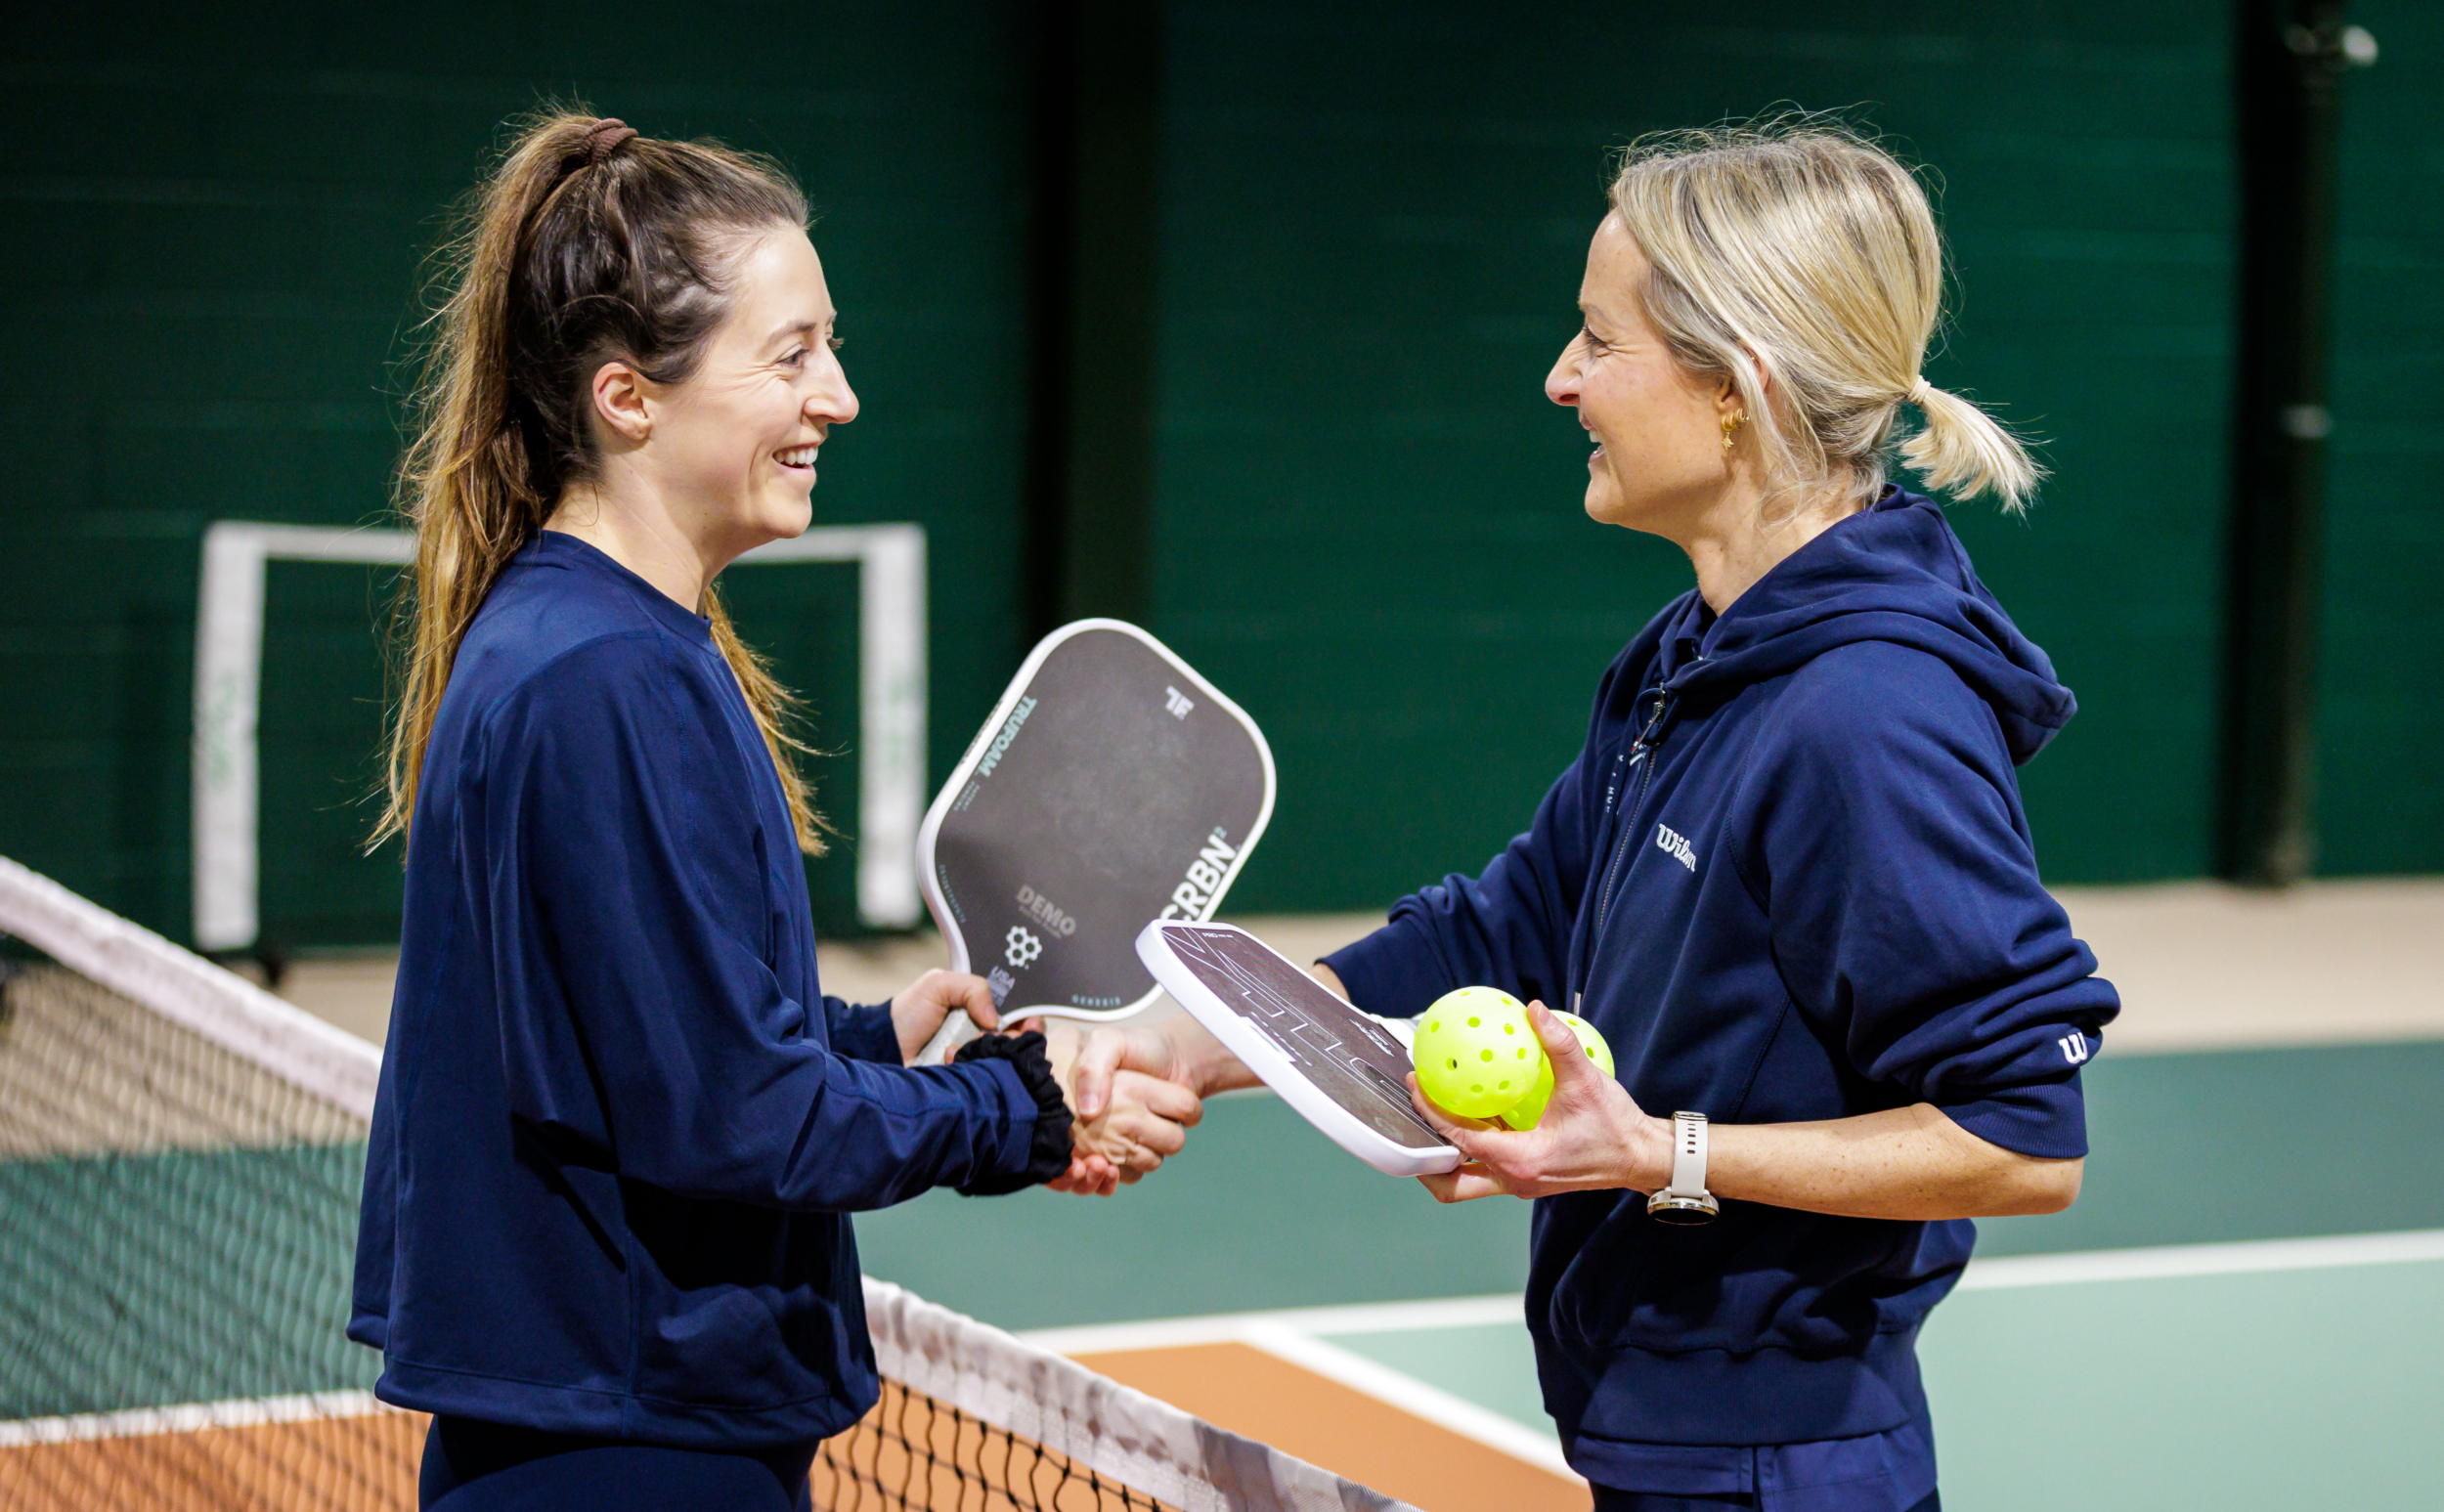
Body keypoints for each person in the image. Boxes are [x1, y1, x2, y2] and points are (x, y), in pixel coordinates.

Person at [1069, 120, 2119, 1512]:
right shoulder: (1689, 651)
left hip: (1777, 1460)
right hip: (1658, 1431)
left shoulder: (1869, 717)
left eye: (1598, 341)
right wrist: (1196, 1043)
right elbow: (1507, 922)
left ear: (1734, 389)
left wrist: (1655, 1151)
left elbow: (2024, 1137)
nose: (1561, 379)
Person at [350, 111, 1171, 1510]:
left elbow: (631, 1038)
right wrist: (1016, 1111)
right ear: (629, 398)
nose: (838, 395)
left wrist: (872, 1037)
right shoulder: (608, 677)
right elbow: (734, 1119)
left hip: (596, 1418)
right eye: (791, 355)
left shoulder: (576, 640)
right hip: (631, 1443)